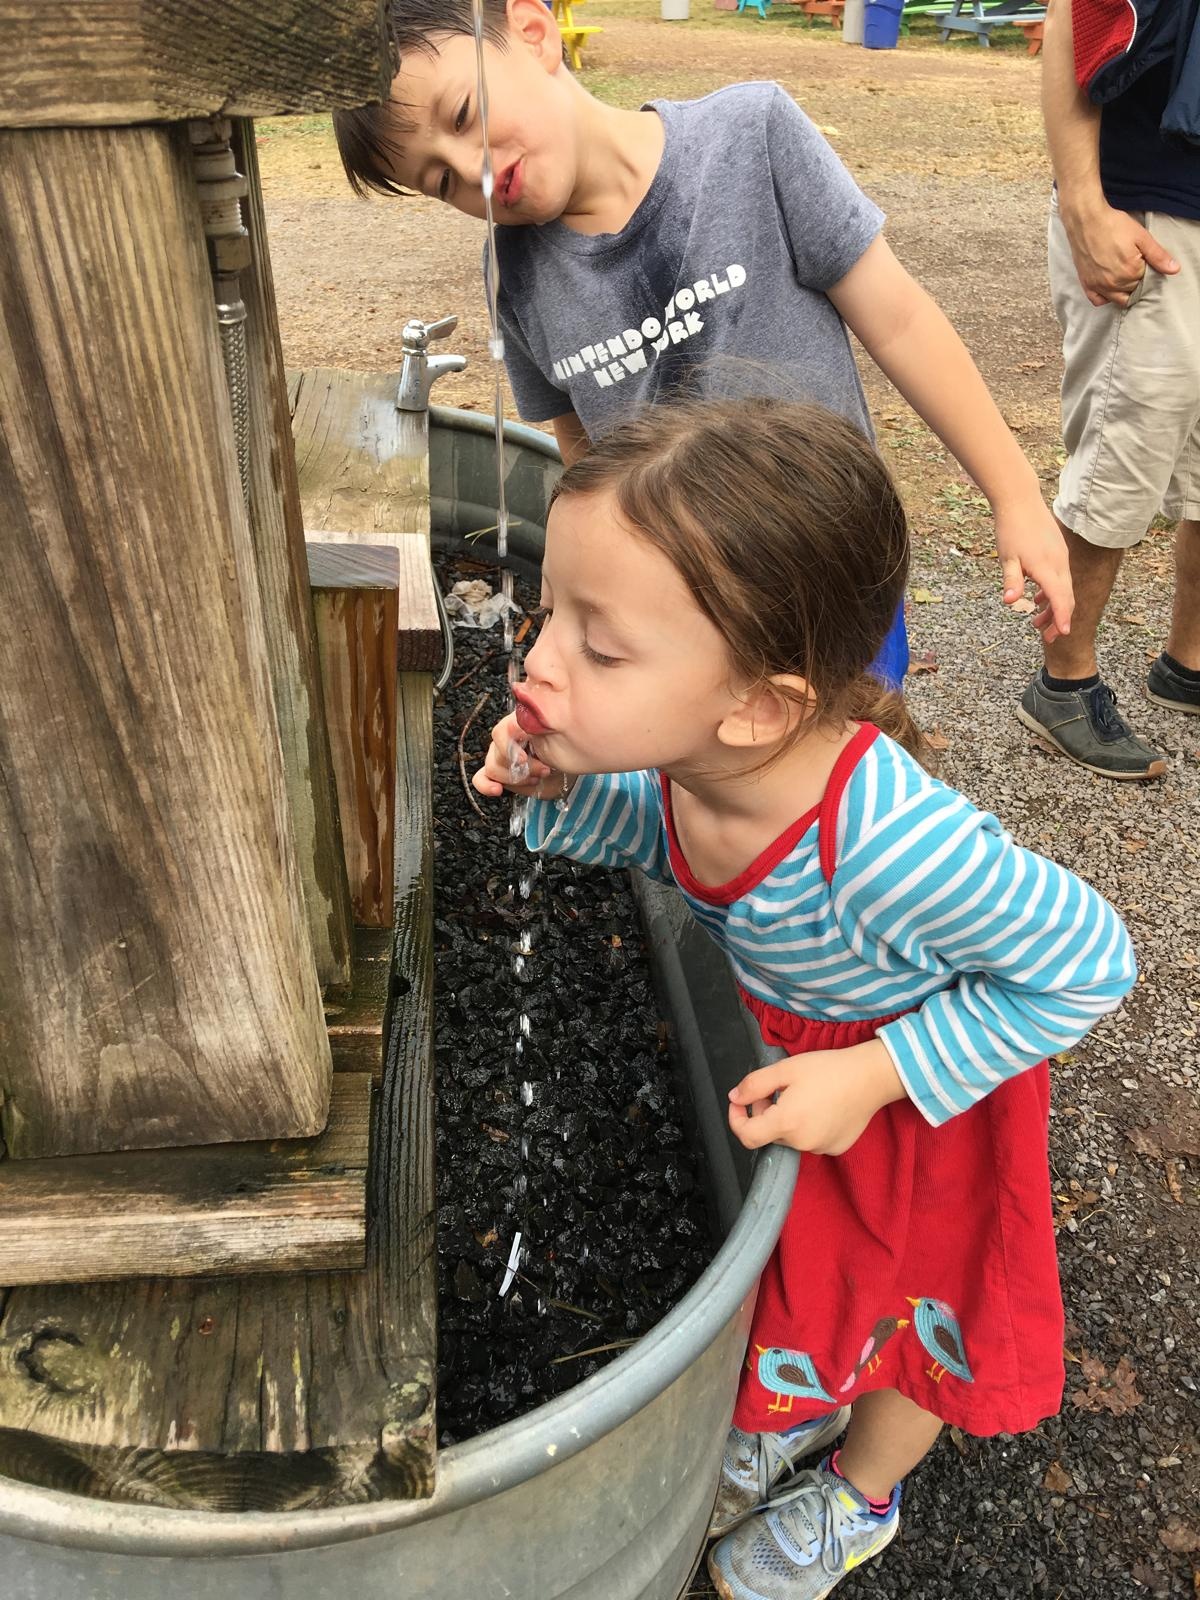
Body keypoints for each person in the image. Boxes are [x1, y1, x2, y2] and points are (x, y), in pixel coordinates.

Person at [471, 397, 1136, 1600]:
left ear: (760, 704)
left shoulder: (889, 843)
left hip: (924, 1115)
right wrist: (557, 786)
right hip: (814, 1075)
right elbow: (667, 833)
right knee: (823, 1282)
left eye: (599, 648)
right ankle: (799, 1402)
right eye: (550, 613)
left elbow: (1090, 960)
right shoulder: (704, 758)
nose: (539, 661)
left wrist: (876, 1074)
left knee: (911, 1317)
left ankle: (862, 1493)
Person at [333, 0, 1076, 688]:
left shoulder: (751, 136)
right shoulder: (512, 276)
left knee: (849, 770)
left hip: (835, 575)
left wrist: (1014, 496)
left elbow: (902, 321)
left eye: (465, 115)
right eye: (441, 181)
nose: (475, 172)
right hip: (680, 624)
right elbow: (583, 451)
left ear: (533, 32)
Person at [1018, 0, 1200, 779]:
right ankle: (1063, 683)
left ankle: (1187, 664)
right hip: (1148, 206)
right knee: (1122, 451)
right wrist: (1083, 200)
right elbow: (1078, 12)